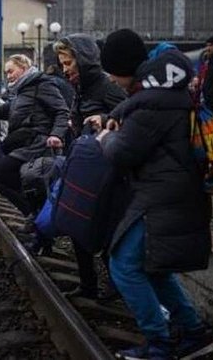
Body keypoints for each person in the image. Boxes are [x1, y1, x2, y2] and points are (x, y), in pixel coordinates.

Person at [98, 29, 213, 359]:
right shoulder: (162, 92)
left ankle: (160, 345)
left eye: (111, 70)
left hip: (162, 195)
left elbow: (123, 152)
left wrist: (104, 139)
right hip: (174, 192)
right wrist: (114, 119)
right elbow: (137, 120)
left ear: (124, 67)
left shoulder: (154, 102)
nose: (110, 77)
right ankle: (195, 332)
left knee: (123, 265)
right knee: (154, 269)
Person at [53, 34, 128, 301]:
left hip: (107, 174)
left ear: (82, 60)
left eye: (68, 63)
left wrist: (106, 118)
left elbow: (129, 117)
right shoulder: (80, 88)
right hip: (84, 171)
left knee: (106, 232)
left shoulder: (107, 87)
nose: (65, 70)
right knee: (77, 228)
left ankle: (116, 286)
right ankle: (88, 284)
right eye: (62, 64)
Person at [0, 54, 68, 223]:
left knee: (3, 170)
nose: (8, 76)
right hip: (24, 143)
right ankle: (37, 214)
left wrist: (56, 134)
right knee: (11, 175)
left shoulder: (41, 84)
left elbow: (62, 110)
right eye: (6, 73)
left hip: (38, 142)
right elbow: (6, 111)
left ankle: (38, 209)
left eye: (11, 71)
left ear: (23, 68)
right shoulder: (21, 90)